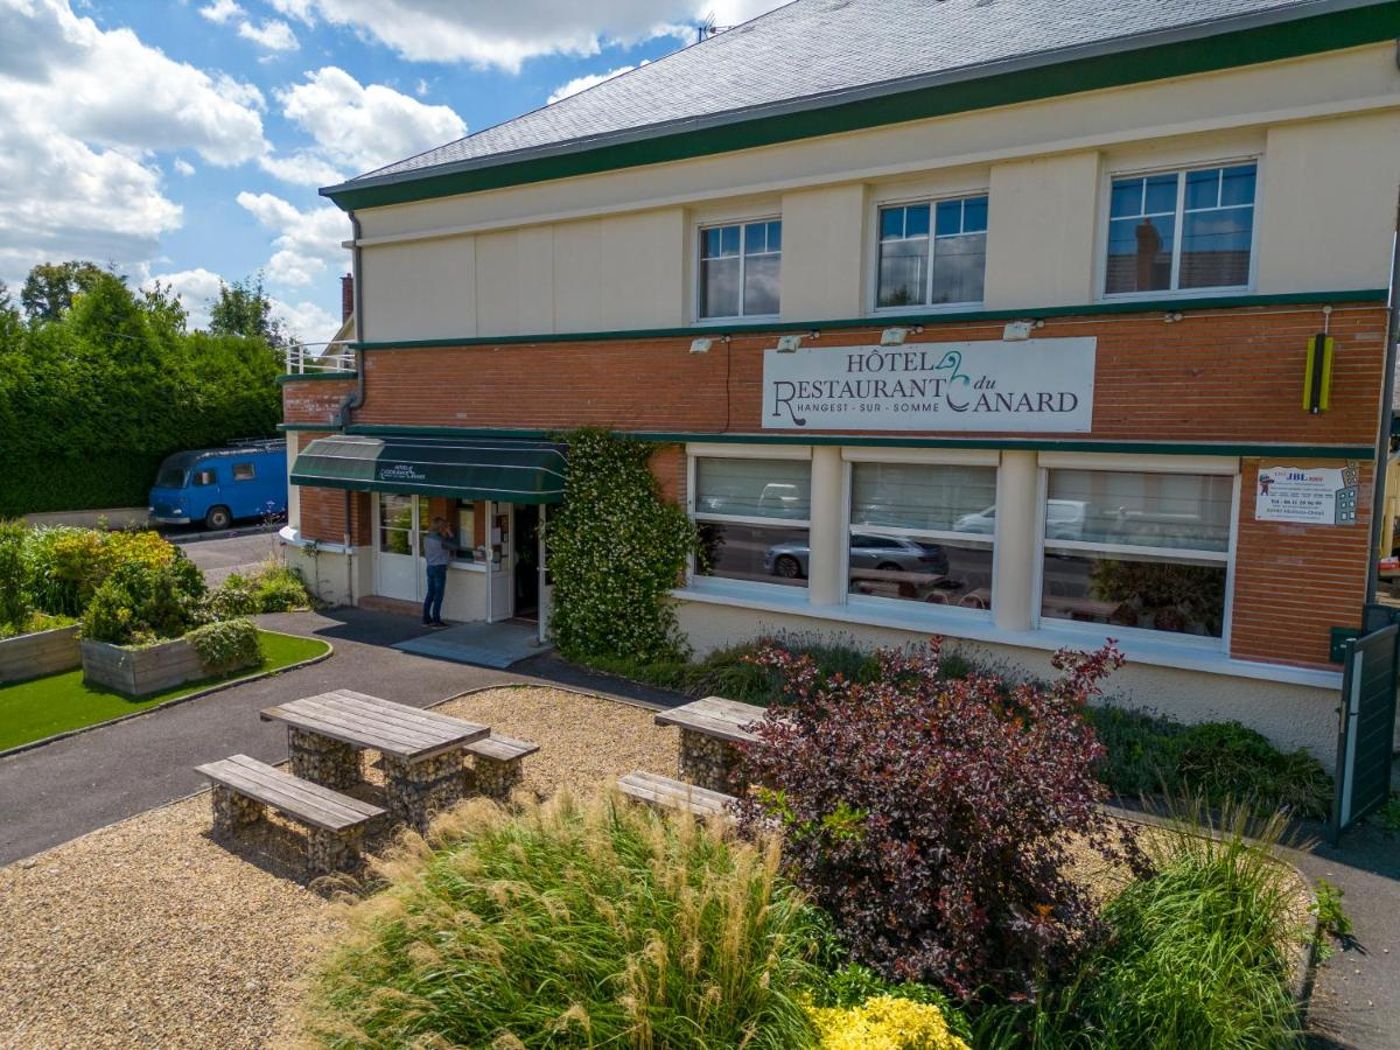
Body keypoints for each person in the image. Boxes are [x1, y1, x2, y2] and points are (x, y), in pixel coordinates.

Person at [421, 516, 456, 627]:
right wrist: (450, 533)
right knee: (438, 595)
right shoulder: (441, 540)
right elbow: (455, 546)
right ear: (441, 528)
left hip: (430, 567)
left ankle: (426, 618)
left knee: (430, 594)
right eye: (444, 526)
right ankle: (436, 619)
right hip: (439, 568)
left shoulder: (426, 537)